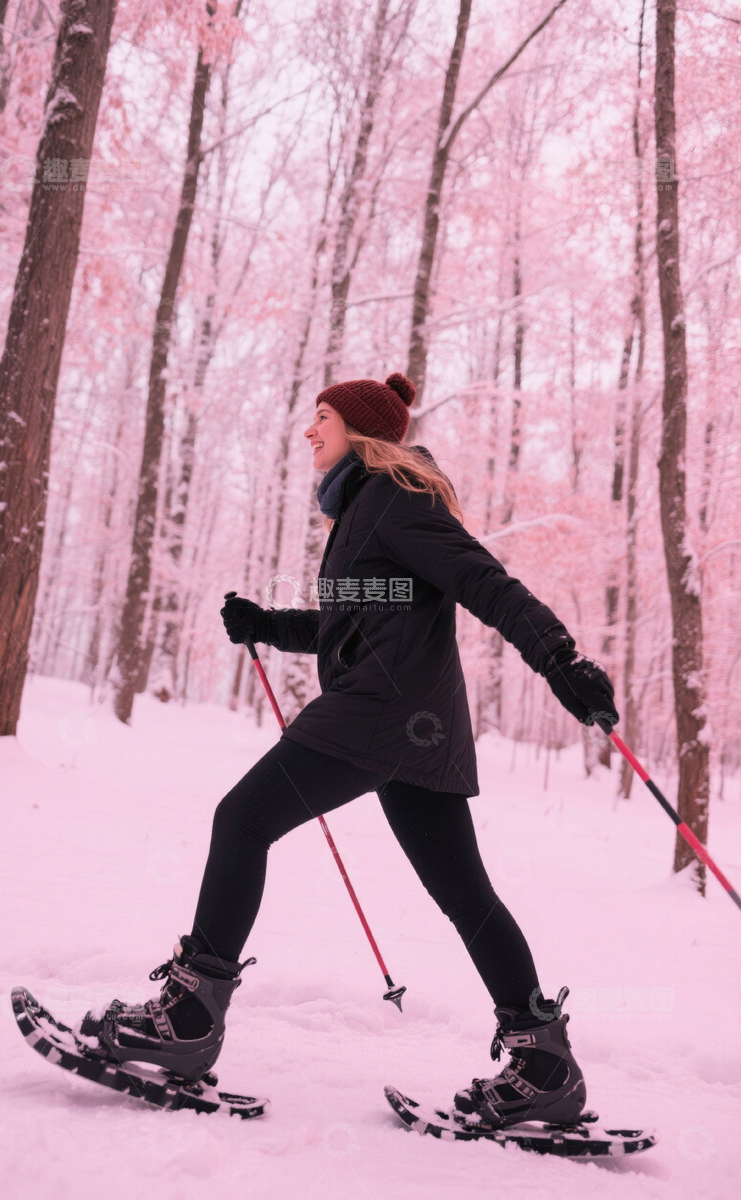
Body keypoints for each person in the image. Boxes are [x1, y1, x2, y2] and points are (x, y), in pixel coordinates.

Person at [80, 372, 618, 1128]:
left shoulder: (398, 499)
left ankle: (189, 1022)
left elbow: (485, 583)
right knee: (466, 897)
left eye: (322, 417)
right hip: (415, 725)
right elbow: (356, 618)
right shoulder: (365, 513)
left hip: (379, 712)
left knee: (241, 820)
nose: (309, 430)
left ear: (361, 431)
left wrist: (559, 660)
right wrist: (268, 624)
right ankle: (544, 1064)